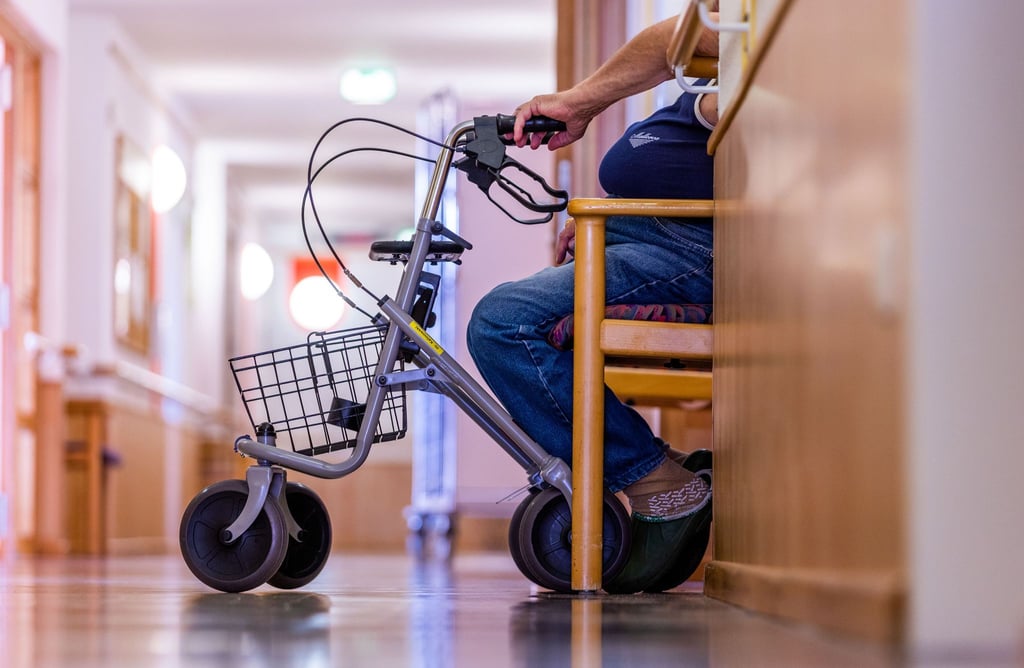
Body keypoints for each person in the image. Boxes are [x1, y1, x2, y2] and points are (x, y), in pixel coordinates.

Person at [466, 12, 719, 593]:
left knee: (505, 322)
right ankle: (658, 473)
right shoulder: (706, 69)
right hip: (639, 238)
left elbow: (705, 39)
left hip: (685, 250)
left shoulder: (745, 74)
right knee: (507, 318)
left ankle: (658, 482)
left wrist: (613, 220)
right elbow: (674, 38)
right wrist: (579, 105)